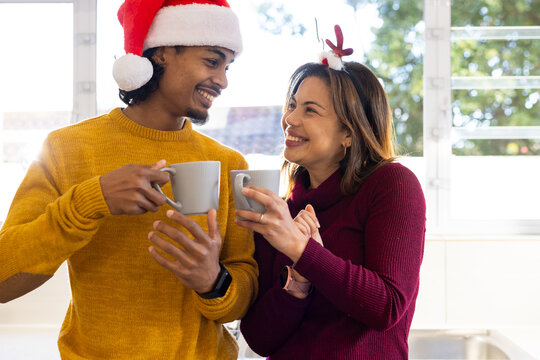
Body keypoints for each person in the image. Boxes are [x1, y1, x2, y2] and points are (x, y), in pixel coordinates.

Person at [0, 0, 257, 358]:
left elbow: (245, 290)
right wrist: (90, 201)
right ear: (164, 53)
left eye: (228, 66)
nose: (223, 80)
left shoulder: (230, 162)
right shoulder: (66, 148)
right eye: (212, 61)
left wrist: (214, 282)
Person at [236, 25, 426, 359]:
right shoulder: (282, 210)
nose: (289, 119)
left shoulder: (392, 185)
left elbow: (387, 307)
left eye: (310, 110)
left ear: (349, 134)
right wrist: (297, 285)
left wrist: (302, 250)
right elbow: (258, 339)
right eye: (292, 105)